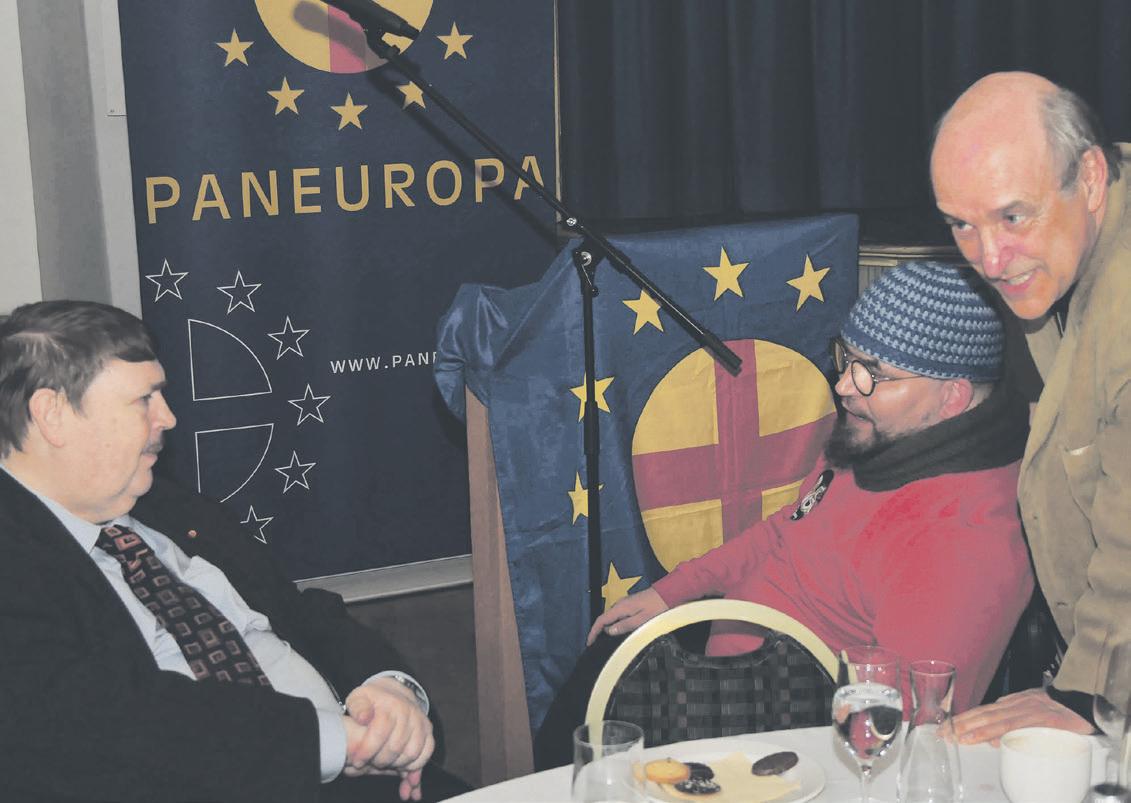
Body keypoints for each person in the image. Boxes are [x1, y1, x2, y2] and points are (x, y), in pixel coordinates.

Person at [0, 300, 470, 802]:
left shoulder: (167, 506)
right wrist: (332, 743)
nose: (168, 418)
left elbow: (301, 614)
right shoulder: (16, 560)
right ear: (52, 415)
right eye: (144, 399)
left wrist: (390, 690)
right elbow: (102, 722)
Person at [580, 261, 1033, 720]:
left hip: (785, 726)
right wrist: (670, 592)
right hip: (741, 666)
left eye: (872, 373)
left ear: (952, 397)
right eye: (847, 359)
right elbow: (789, 528)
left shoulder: (961, 541)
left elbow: (903, 725)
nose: (843, 385)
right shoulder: (882, 435)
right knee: (590, 677)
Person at [931, 71, 1131, 744]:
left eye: (1012, 216)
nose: (989, 259)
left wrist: (1085, 693)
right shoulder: (1062, 252)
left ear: (1091, 178)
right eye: (961, 224)